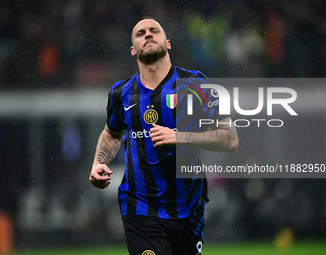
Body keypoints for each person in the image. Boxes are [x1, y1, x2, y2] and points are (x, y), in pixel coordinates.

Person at [89, 16, 239, 255]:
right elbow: (112, 132)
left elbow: (230, 139)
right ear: (132, 49)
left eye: (154, 30)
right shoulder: (120, 94)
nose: (147, 34)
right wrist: (99, 162)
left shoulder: (195, 84)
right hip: (140, 206)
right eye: (140, 33)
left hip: (188, 205)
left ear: (167, 43)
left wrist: (180, 136)